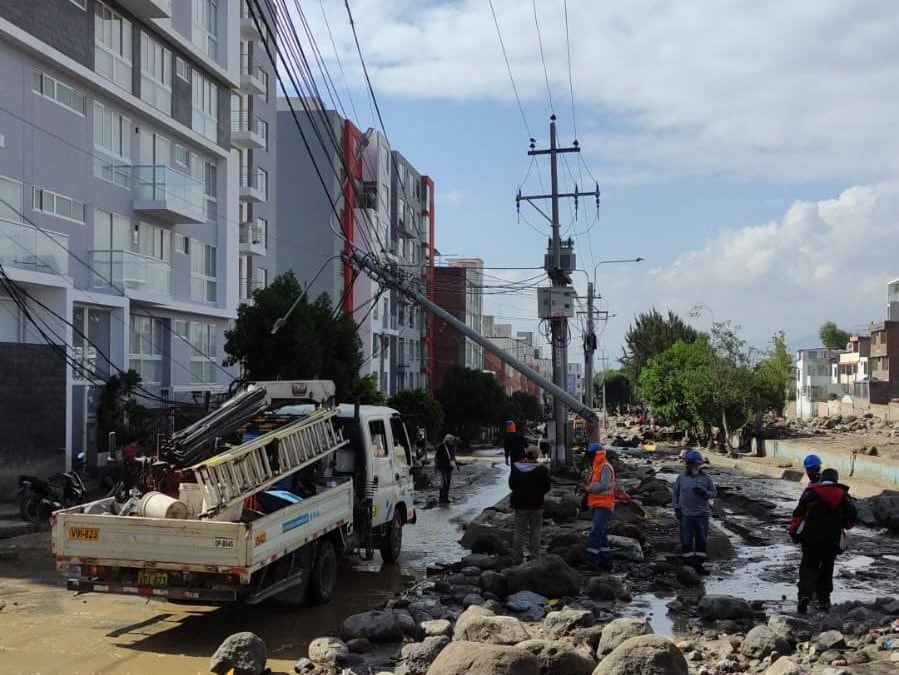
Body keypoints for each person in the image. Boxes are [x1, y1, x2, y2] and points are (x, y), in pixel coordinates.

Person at [789, 467, 856, 613]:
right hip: (831, 539)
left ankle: (805, 595)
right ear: (836, 480)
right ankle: (824, 600)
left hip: (810, 538)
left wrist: (793, 533)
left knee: (807, 566)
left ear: (821, 479)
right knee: (827, 568)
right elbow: (850, 521)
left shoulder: (811, 493)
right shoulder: (843, 495)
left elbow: (798, 515)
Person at [672, 449, 718, 575]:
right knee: (686, 541)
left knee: (701, 541)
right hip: (686, 515)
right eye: (691, 463)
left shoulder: (707, 479)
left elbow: (714, 493)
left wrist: (705, 493)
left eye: (696, 464)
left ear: (700, 464)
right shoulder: (681, 478)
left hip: (702, 515)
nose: (693, 466)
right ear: (687, 464)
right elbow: (675, 494)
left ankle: (699, 565)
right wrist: (677, 508)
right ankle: (688, 565)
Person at [509, 446, 551, 563]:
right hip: (537, 504)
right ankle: (534, 557)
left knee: (519, 532)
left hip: (520, 504)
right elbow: (547, 487)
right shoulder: (542, 469)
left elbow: (512, 485)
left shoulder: (516, 467)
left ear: (526, 454)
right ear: (537, 456)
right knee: (536, 531)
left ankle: (517, 558)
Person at [581, 442, 615, 570]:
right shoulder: (596, 468)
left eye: (590, 456)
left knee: (595, 533)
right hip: (596, 504)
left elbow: (603, 486)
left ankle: (592, 562)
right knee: (601, 533)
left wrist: (588, 489)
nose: (588, 459)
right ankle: (606, 561)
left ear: (596, 455)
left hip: (604, 505)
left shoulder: (605, 467)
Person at [434, 434, 460, 504]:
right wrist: (435, 468)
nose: (452, 441)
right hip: (442, 468)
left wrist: (457, 465)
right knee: (444, 483)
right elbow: (436, 457)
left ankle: (446, 498)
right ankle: (441, 498)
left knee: (448, 483)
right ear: (447, 440)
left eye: (453, 440)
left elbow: (453, 456)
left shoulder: (452, 447)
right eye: (451, 440)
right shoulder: (441, 446)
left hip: (449, 468)